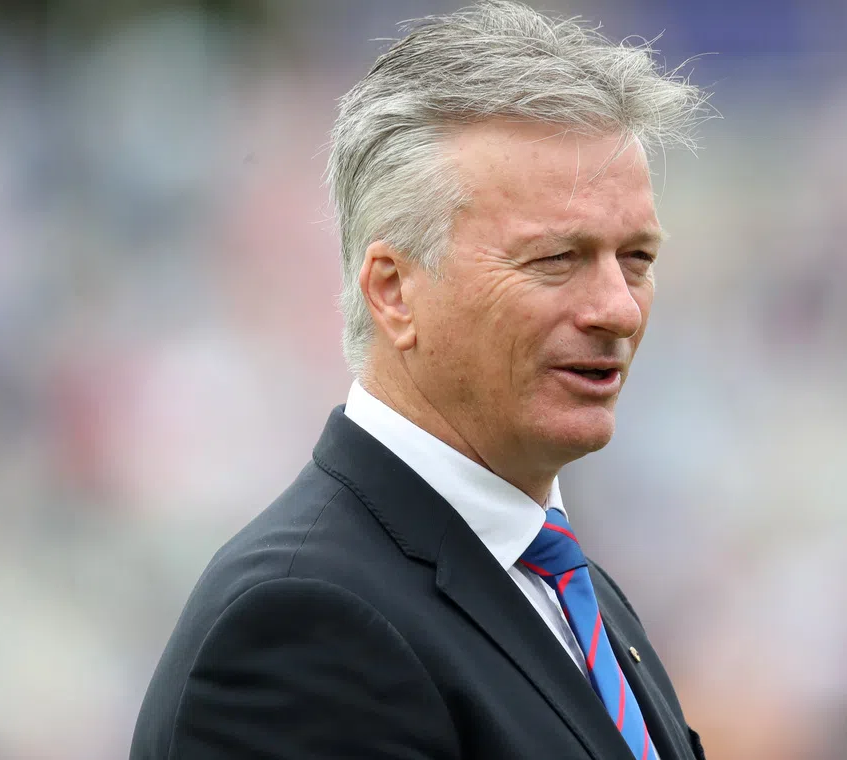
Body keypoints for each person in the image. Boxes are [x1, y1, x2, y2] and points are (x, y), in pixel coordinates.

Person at [130, 2, 709, 758]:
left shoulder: (567, 589)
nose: (618, 309)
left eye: (637, 259)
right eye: (556, 259)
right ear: (394, 291)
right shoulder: (308, 626)